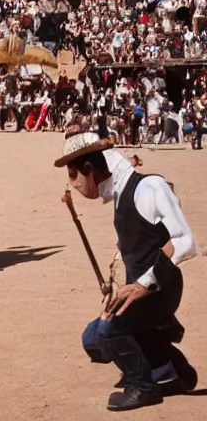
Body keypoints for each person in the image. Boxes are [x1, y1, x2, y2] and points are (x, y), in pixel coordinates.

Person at [57, 127, 198, 411]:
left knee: (103, 336)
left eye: (73, 175)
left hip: (161, 289)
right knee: (99, 334)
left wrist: (143, 284)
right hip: (144, 289)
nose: (72, 184)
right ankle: (165, 368)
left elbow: (185, 241)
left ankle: (143, 385)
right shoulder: (120, 188)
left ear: (88, 168)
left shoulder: (148, 188)